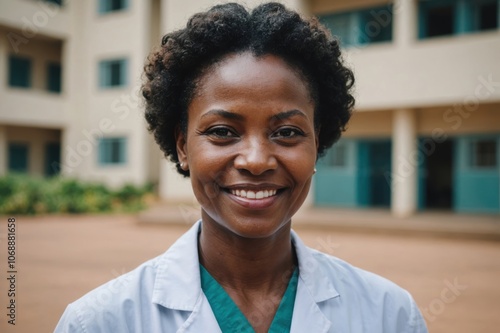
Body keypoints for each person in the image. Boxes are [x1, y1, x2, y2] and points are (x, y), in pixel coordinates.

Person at [55, 2, 428, 332]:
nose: (255, 160)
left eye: (286, 132)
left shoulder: (390, 316)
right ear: (183, 146)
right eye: (222, 131)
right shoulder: (99, 322)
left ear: (318, 142)